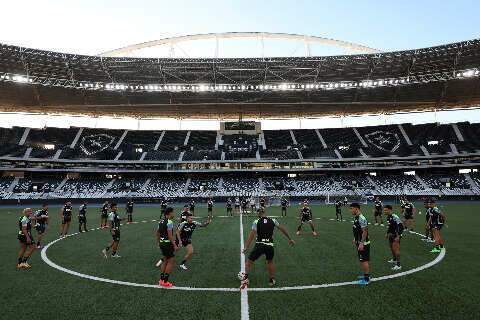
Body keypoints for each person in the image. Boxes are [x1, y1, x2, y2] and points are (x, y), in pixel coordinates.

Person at [240, 208, 295, 288]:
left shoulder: (256, 221)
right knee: (270, 262)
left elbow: (251, 235)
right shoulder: (273, 220)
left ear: (259, 213)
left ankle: (245, 279)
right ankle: (271, 280)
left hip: (259, 245)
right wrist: (290, 238)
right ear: (265, 212)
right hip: (270, 245)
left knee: (249, 261)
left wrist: (246, 247)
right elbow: (282, 229)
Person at [156, 207, 179, 288]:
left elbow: (157, 233)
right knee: (171, 260)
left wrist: (158, 242)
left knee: (165, 260)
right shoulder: (169, 222)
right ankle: (165, 281)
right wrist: (175, 245)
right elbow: (170, 235)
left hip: (162, 243)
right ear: (169, 213)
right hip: (167, 244)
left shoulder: (160, 222)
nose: (173, 214)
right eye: (172, 212)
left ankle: (161, 280)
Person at [350, 203, 370, 285]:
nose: (350, 210)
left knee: (364, 260)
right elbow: (359, 230)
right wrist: (355, 238)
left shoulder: (361, 218)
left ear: (356, 209)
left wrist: (361, 243)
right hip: (359, 241)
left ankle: (367, 279)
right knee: (362, 260)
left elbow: (365, 232)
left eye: (351, 208)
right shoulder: (356, 217)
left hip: (364, 243)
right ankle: (365, 274)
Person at [384, 205, 403, 271]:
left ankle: (398, 265)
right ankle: (394, 260)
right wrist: (387, 233)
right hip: (391, 235)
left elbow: (401, 226)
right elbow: (390, 227)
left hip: (396, 235)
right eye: (384, 210)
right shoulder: (388, 217)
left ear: (390, 210)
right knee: (392, 248)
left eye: (386, 210)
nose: (384, 211)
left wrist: (398, 236)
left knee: (396, 249)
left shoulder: (395, 217)